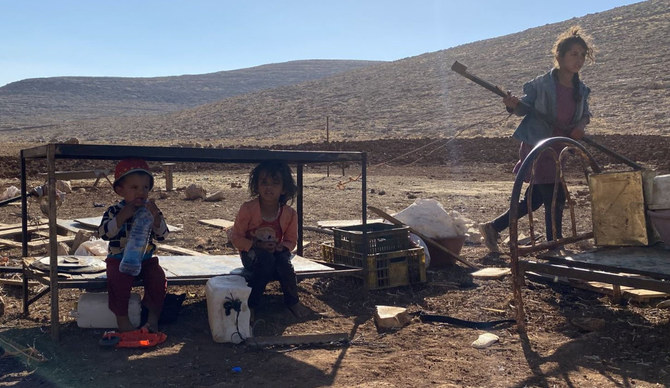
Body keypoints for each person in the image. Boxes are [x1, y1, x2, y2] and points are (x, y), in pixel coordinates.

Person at [480, 26, 595, 253]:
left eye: (582, 55)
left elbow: (585, 115)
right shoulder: (540, 85)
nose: (579, 59)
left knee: (535, 200)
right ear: (559, 56)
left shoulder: (580, 90)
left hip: (559, 149)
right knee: (556, 196)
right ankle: (554, 246)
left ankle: (493, 227)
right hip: (538, 148)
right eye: (574, 54)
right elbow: (523, 109)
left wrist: (580, 127)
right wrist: (512, 105)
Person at [229, 160, 310, 318]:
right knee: (265, 261)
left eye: (275, 183)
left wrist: (282, 247)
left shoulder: (290, 214)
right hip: (252, 254)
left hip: (276, 252)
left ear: (284, 188)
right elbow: (236, 237)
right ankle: (251, 304)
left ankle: (292, 302)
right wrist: (255, 245)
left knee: (284, 264)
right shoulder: (247, 209)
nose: (269, 187)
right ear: (257, 186)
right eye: (264, 182)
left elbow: (291, 240)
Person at [99, 158, 169, 332]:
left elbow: (163, 235)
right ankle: (122, 320)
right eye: (134, 187)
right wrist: (122, 217)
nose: (141, 192)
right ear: (120, 190)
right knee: (117, 282)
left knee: (158, 278)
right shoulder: (114, 211)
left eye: (145, 187)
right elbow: (103, 233)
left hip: (145, 258)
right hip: (119, 257)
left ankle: (153, 318)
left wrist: (156, 219)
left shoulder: (150, 211)